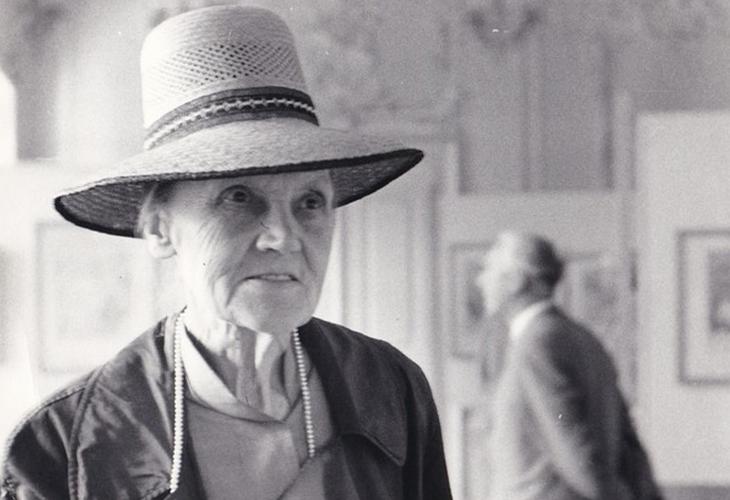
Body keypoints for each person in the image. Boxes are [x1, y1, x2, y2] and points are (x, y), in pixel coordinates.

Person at [1, 6, 452, 499]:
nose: (284, 237)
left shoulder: (389, 387)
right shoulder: (62, 447)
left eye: (310, 202)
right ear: (159, 230)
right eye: (239, 198)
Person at [478, 231, 662, 500]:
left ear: (516, 281)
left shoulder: (536, 343)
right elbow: (627, 443)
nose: (481, 280)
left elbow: (575, 451)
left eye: (489, 270)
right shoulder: (582, 337)